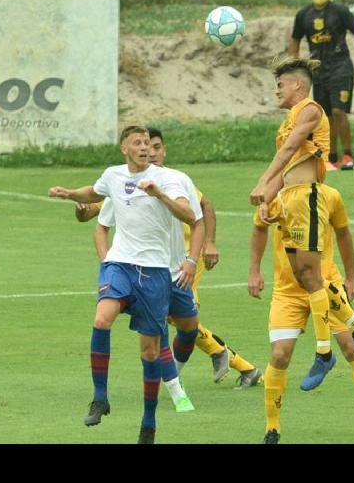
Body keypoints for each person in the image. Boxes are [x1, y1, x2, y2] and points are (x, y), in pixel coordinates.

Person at [77, 128, 263, 389]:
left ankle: (227, 358)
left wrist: (208, 243)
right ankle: (230, 363)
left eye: (154, 147)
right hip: (149, 262)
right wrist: (80, 206)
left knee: (177, 317)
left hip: (183, 259)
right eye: (143, 145)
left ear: (163, 151)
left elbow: (204, 207)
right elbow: (95, 210)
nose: (149, 152)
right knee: (168, 317)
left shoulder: (172, 180)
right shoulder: (127, 181)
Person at [48, 125, 197, 444]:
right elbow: (94, 193)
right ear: (124, 149)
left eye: (148, 143)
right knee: (102, 318)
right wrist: (70, 194)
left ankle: (148, 422)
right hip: (121, 263)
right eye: (138, 143)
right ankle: (100, 397)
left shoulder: (169, 179)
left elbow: (188, 215)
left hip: (156, 272)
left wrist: (158, 193)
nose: (145, 147)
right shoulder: (114, 175)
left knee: (149, 350)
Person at [249, 182, 354, 445]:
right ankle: (272, 429)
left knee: (352, 350)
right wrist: (254, 269)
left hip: (325, 285)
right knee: (279, 354)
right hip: (288, 291)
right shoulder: (273, 196)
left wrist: (351, 277)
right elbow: (259, 228)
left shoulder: (330, 195)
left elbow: (344, 234)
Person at [249, 55, 351, 392]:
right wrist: (269, 198)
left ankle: (324, 351)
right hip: (291, 198)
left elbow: (293, 148)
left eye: (280, 84)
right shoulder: (289, 119)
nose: (276, 90)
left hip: (307, 196)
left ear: (298, 85)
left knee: (312, 274)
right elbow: (289, 160)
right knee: (304, 275)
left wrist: (263, 181)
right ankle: (353, 324)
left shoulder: (309, 109)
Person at [289, 0, 354, 171]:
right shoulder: (303, 15)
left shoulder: (340, 11)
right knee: (325, 116)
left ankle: (348, 155)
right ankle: (331, 157)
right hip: (318, 71)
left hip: (341, 68)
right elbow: (295, 40)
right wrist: (294, 67)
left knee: (338, 111)